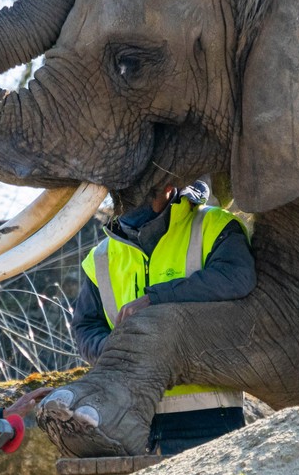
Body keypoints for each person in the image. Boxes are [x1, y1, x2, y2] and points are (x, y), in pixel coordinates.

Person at [72, 180, 256, 454]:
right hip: (132, 422)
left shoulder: (213, 224)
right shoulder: (100, 258)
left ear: (170, 183)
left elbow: (237, 277)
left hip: (210, 418)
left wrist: (155, 299)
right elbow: (85, 328)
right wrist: (122, 351)